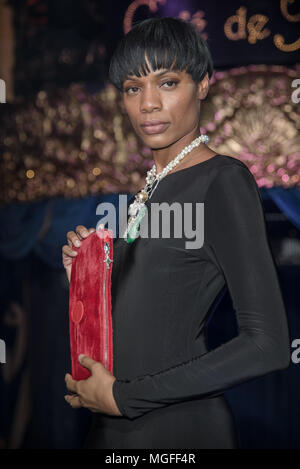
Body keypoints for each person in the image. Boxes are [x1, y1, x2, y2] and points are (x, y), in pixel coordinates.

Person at [62, 17, 290, 449]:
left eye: (167, 83)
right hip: (110, 428)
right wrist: (87, 282)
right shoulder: (146, 190)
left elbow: (268, 344)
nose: (148, 104)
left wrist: (124, 396)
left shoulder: (222, 181)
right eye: (133, 88)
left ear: (203, 84)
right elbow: (147, 317)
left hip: (177, 430)